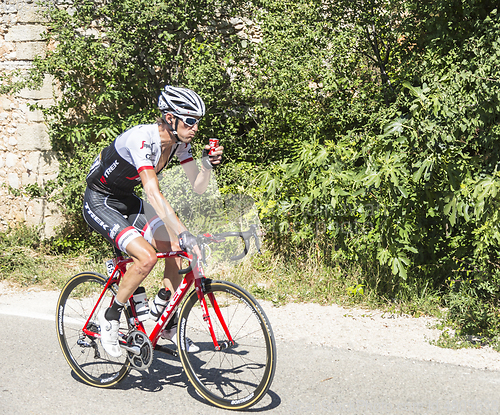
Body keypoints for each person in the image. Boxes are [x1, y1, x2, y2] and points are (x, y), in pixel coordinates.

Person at [83, 85, 223, 357]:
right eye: (190, 120)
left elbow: (197, 185)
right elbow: (152, 191)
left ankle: (166, 318)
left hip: (125, 198)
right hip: (100, 199)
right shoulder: (143, 139)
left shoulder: (181, 143)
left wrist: (206, 165)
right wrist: (184, 230)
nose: (195, 127)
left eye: (198, 122)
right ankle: (110, 317)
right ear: (170, 118)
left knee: (176, 248)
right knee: (147, 258)